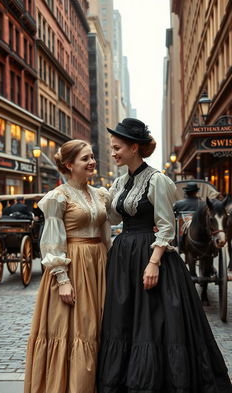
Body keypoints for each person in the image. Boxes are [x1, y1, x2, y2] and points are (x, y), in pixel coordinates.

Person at [97, 118, 232, 393]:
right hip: (124, 256)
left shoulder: (157, 180)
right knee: (124, 318)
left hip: (149, 252)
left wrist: (154, 263)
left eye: (117, 147)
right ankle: (122, 377)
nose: (113, 153)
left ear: (134, 148)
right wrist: (102, 197)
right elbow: (112, 218)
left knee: (152, 320)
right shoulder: (121, 181)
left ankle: (152, 380)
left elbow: (167, 226)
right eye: (112, 148)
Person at [24, 140, 110, 393]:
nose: (92, 162)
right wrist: (62, 279)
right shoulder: (57, 198)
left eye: (92, 157)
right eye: (85, 158)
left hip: (99, 265)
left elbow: (106, 231)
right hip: (73, 265)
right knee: (77, 328)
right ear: (69, 165)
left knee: (98, 326)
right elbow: (51, 241)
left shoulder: (100, 194)